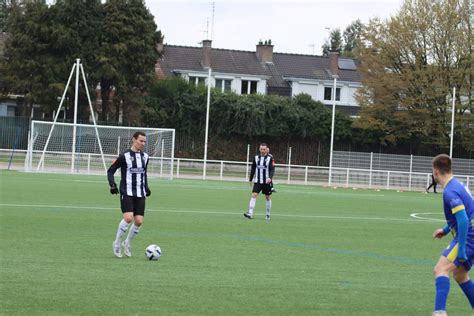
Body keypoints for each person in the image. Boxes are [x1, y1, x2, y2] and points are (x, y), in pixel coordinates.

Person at [431, 154, 474, 315]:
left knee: (441, 269)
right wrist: (446, 229)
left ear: (435, 171)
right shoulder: (459, 185)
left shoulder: (450, 191)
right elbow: (470, 210)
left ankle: (439, 312)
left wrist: (462, 248)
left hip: (469, 236)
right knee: (460, 274)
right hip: (471, 234)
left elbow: (463, 219)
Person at [107, 131, 151, 258]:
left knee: (139, 221)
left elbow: (144, 173)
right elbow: (111, 171)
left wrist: (146, 187)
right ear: (134, 140)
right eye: (140, 141)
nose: (143, 143)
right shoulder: (124, 156)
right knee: (128, 218)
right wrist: (112, 184)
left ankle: (127, 243)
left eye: (144, 142)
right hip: (127, 191)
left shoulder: (145, 157)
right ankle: (116, 243)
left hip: (140, 192)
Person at [244, 143, 275, 220]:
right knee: (254, 195)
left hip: (266, 182)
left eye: (264, 149)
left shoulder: (270, 158)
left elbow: (272, 169)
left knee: (268, 198)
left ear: (266, 149)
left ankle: (268, 214)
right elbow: (253, 168)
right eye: (261, 149)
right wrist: (250, 179)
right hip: (257, 181)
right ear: (259, 149)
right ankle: (250, 213)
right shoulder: (256, 157)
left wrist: (270, 178)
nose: (263, 151)